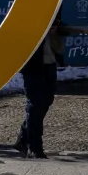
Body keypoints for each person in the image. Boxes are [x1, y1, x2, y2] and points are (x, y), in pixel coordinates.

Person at [14, 18, 66, 159]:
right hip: (32, 68)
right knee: (35, 105)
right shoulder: (29, 27)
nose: (54, 25)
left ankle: (23, 138)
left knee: (45, 102)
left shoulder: (55, 29)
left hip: (49, 67)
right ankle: (34, 147)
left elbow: (60, 42)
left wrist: (54, 29)